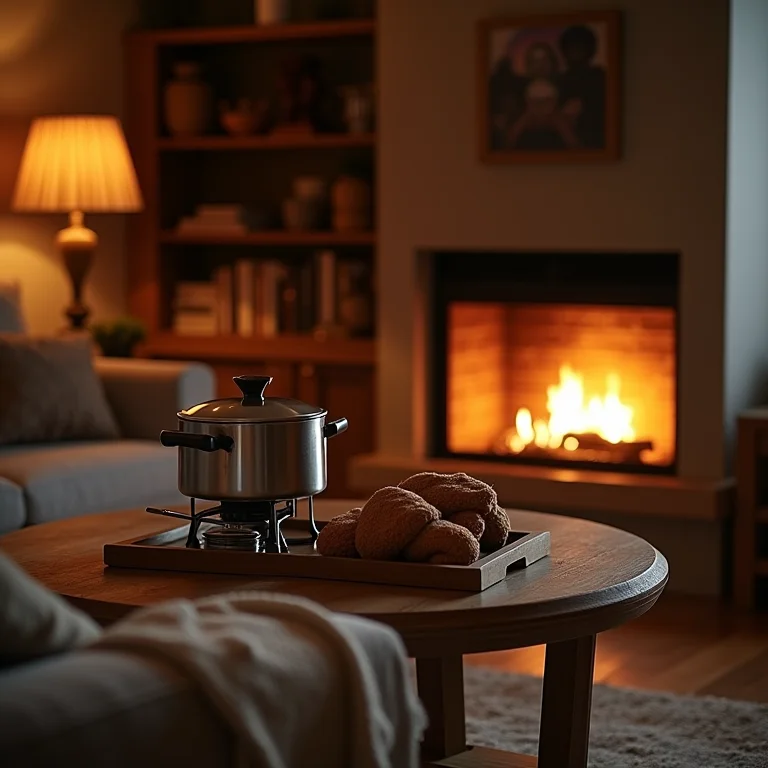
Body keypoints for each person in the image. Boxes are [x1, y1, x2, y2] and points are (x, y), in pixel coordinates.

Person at [557, 25, 607, 148]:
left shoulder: (600, 78)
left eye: (580, 48)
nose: (575, 53)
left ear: (589, 50)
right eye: (571, 48)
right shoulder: (560, 80)